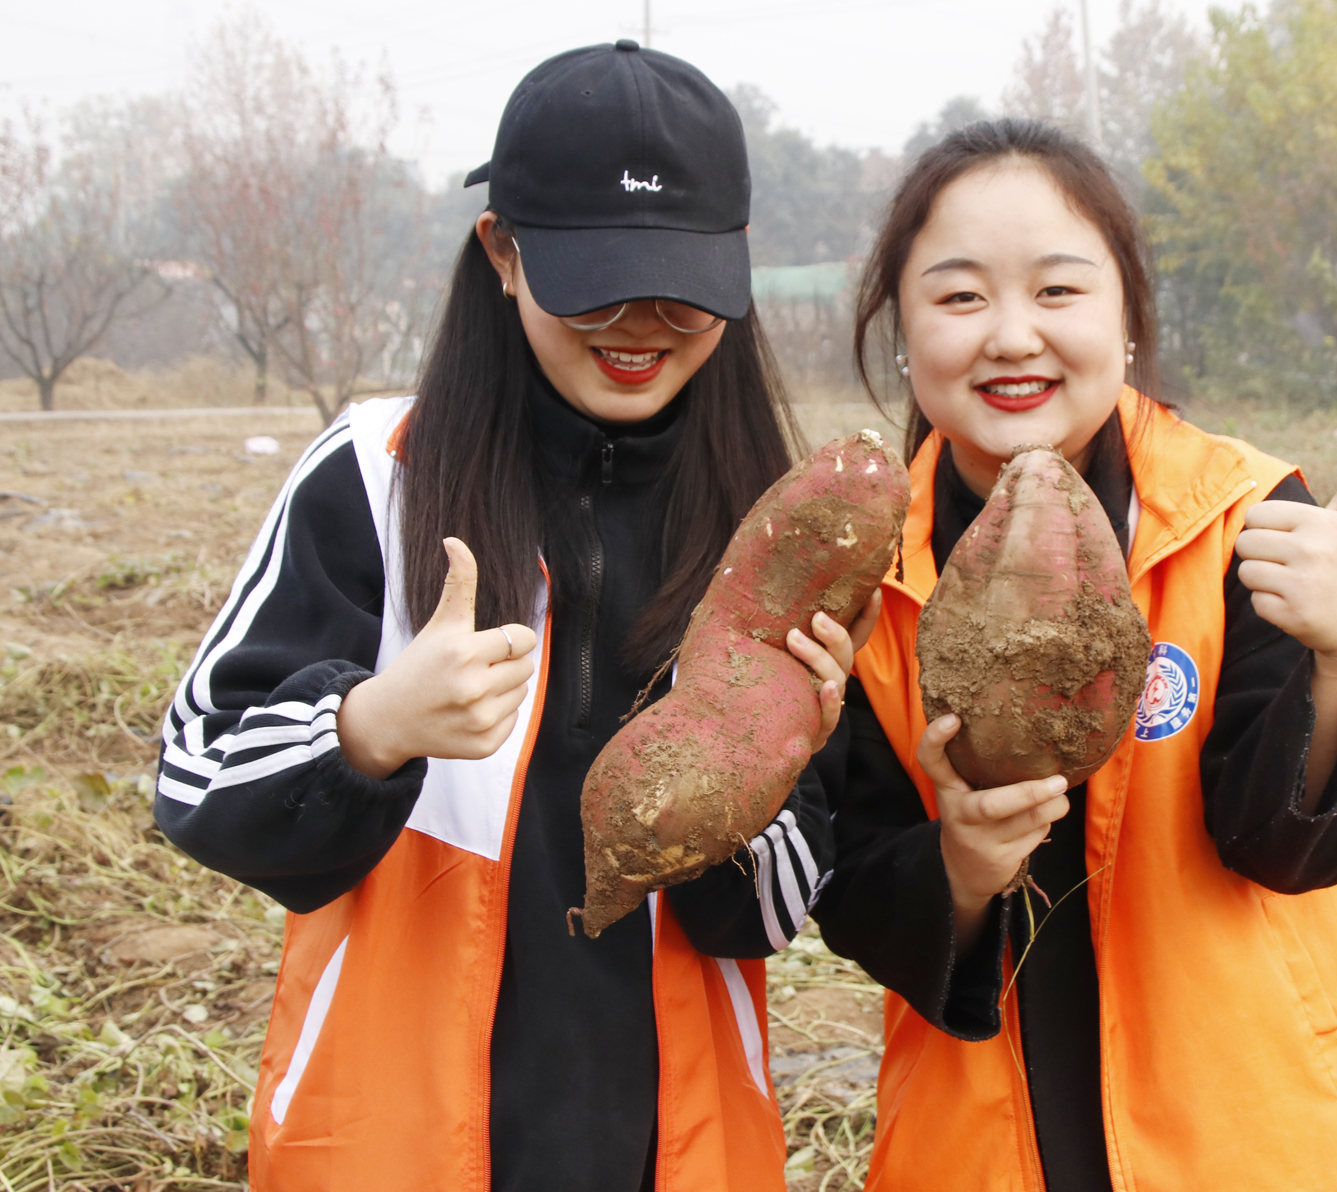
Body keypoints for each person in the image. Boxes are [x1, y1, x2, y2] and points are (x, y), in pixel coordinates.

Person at [153, 42, 868, 1192]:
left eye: (681, 281)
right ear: (502, 250)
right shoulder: (374, 477)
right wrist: (369, 728)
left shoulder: (772, 531)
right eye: (597, 277)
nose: (641, 321)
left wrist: (760, 771)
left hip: (676, 1150)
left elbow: (768, 919)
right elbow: (195, 779)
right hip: (391, 1143)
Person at [813, 120, 1337, 1192]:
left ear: (1128, 322)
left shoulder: (1242, 518)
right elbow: (851, 883)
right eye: (961, 297)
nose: (1012, 336)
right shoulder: (860, 576)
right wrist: (961, 869)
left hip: (1256, 1131)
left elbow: (1286, 850)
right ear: (901, 333)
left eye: (1058, 292)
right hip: (977, 1141)